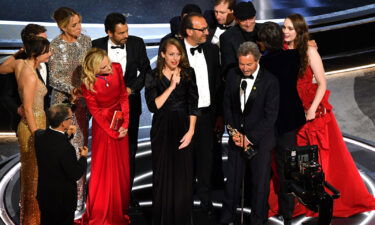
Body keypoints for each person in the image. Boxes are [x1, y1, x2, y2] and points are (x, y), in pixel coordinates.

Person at [283, 13, 375, 217]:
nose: (286, 32)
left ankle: (319, 198)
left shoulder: (309, 51)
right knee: (294, 159)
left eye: (290, 28)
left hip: (310, 109)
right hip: (289, 109)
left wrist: (311, 109)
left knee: (318, 157)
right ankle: (300, 198)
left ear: (299, 30)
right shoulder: (281, 49)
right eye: (284, 28)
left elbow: (322, 83)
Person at [92, 13, 151, 205]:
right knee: (107, 150)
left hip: (130, 105)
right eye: (121, 33)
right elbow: (89, 74)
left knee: (129, 149)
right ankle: (106, 192)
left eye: (127, 30)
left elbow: (146, 70)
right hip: (104, 109)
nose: (126, 35)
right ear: (109, 32)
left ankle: (127, 193)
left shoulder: (137, 43)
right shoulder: (96, 45)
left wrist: (131, 88)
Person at [220, 41, 279, 225]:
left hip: (260, 142)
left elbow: (270, 117)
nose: (244, 68)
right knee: (232, 182)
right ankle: (227, 216)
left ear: (258, 60)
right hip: (237, 139)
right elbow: (227, 105)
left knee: (259, 185)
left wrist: (249, 138)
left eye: (249, 64)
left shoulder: (270, 82)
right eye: (241, 64)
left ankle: (258, 220)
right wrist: (234, 133)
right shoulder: (232, 75)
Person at [144, 38, 199, 225]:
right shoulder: (153, 75)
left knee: (183, 176)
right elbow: (154, 106)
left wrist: (191, 131)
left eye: (178, 54)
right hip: (162, 129)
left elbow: (193, 104)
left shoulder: (189, 73)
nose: (175, 58)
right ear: (162, 55)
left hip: (184, 127)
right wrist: (172, 86)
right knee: (163, 173)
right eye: (171, 54)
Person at [257, 21, 306, 225]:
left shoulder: (264, 64)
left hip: (271, 122)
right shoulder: (293, 56)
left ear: (263, 43)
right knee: (289, 167)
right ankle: (288, 213)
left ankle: (264, 208)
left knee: (264, 167)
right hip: (290, 119)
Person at [79, 48, 131, 224]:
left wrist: (125, 124)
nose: (109, 67)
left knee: (121, 167)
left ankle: (119, 206)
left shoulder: (116, 68)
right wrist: (113, 132)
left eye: (108, 63)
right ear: (95, 70)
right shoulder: (87, 83)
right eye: (104, 67)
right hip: (104, 128)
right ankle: (103, 210)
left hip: (120, 121)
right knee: (105, 169)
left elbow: (123, 97)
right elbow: (96, 113)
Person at [179, 12, 222, 214]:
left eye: (206, 28)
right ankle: (183, 201)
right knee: (184, 159)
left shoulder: (212, 51)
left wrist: (217, 114)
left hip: (206, 115)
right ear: (189, 31)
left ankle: (206, 202)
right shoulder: (176, 52)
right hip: (183, 116)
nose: (207, 32)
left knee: (206, 158)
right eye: (202, 29)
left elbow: (216, 83)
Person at [49, 7, 91, 210]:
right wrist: (72, 89)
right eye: (74, 25)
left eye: (79, 23)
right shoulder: (55, 45)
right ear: (62, 26)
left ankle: (78, 203)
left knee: (80, 148)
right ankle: (65, 203)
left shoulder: (85, 41)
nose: (79, 28)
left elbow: (90, 67)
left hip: (83, 103)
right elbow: (53, 78)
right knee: (66, 151)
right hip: (63, 105)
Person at [14, 36, 51, 225]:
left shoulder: (21, 65)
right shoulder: (28, 73)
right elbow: (28, 108)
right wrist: (37, 134)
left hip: (35, 122)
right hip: (32, 125)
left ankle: (31, 219)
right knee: (32, 179)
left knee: (32, 176)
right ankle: (31, 221)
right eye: (47, 52)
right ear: (36, 54)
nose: (50, 54)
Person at [35, 103, 88, 225]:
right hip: (62, 201)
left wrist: (67, 136)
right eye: (70, 118)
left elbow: (53, 147)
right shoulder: (66, 148)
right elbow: (75, 173)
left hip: (45, 196)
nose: (71, 120)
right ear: (63, 123)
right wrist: (83, 157)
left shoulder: (39, 136)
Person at [0, 24, 51, 132]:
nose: (46, 45)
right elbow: (6, 95)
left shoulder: (43, 60)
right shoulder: (22, 66)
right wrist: (18, 110)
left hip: (43, 120)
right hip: (29, 123)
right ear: (34, 46)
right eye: (42, 41)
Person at [220, 1, 262, 79]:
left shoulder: (263, 30)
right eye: (243, 20)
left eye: (250, 19)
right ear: (236, 20)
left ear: (255, 17)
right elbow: (229, 68)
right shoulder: (227, 37)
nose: (248, 24)